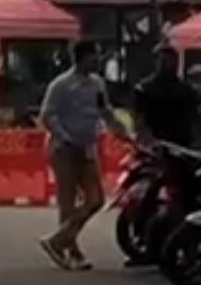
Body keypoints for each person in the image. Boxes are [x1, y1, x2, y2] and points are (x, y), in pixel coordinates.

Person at [38, 40, 133, 271]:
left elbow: (105, 112)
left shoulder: (97, 84)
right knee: (67, 201)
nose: (98, 60)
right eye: (94, 56)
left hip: (87, 148)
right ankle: (71, 250)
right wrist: (65, 137)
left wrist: (123, 133)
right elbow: (47, 115)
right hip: (63, 149)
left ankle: (58, 241)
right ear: (81, 58)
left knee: (96, 199)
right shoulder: (61, 85)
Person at [133, 44, 201, 149]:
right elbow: (139, 118)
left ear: (176, 62)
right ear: (156, 62)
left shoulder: (185, 90)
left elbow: (197, 116)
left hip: (181, 145)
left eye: (169, 60)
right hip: (155, 145)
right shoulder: (145, 88)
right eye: (162, 60)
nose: (164, 64)